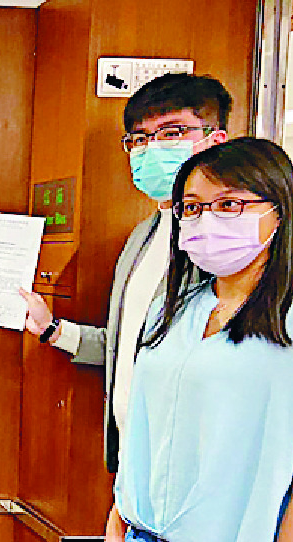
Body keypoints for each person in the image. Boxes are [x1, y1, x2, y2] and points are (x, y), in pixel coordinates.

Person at [19, 73, 230, 472]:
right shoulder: (142, 238)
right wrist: (52, 329)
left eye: (172, 133)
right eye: (140, 138)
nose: (151, 149)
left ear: (213, 141)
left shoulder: (225, 246)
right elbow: (127, 345)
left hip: (194, 461)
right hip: (133, 455)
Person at [105, 137, 293, 541]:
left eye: (229, 204)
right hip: (140, 530)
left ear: (279, 211)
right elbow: (146, 425)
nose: (207, 220)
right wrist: (118, 517)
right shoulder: (173, 310)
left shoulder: (285, 321)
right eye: (192, 208)